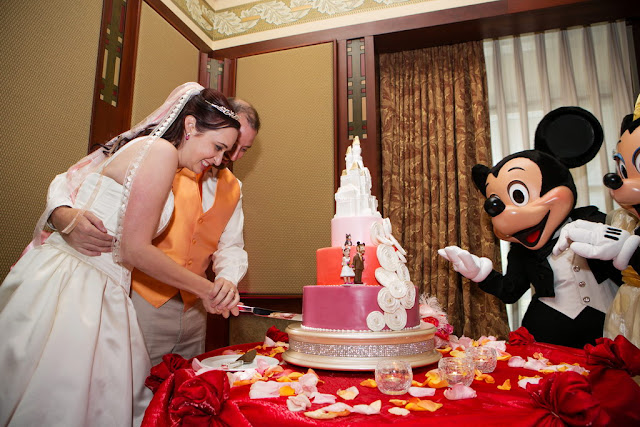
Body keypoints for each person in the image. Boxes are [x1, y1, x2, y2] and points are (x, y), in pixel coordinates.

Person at [0, 83, 241, 426]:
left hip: (97, 283)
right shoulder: (159, 152)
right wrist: (207, 289)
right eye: (217, 147)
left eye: (225, 153)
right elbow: (134, 248)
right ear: (190, 127)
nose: (218, 160)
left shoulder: (149, 152)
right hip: (79, 287)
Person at [45, 96, 260, 365]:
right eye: (227, 145)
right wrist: (60, 214)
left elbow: (230, 245)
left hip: (196, 310)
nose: (230, 157)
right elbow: (78, 177)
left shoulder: (232, 186)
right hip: (139, 298)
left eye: (242, 149)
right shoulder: (163, 153)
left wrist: (226, 280)